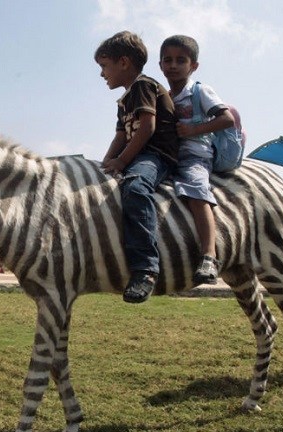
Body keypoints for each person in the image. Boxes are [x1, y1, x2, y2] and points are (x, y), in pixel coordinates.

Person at [94, 31, 179, 303]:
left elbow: (147, 127)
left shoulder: (143, 85)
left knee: (135, 186)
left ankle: (146, 268)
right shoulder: (125, 99)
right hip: (139, 153)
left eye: (104, 66)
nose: (102, 74)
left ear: (123, 63)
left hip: (156, 154)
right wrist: (105, 163)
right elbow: (120, 136)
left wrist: (121, 161)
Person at [159, 35, 235, 286]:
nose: (173, 65)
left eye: (181, 60)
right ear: (160, 65)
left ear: (193, 66)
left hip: (195, 155)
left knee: (195, 191)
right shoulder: (166, 96)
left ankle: (209, 255)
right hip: (170, 156)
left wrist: (193, 130)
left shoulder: (200, 90)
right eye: (168, 60)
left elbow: (226, 119)